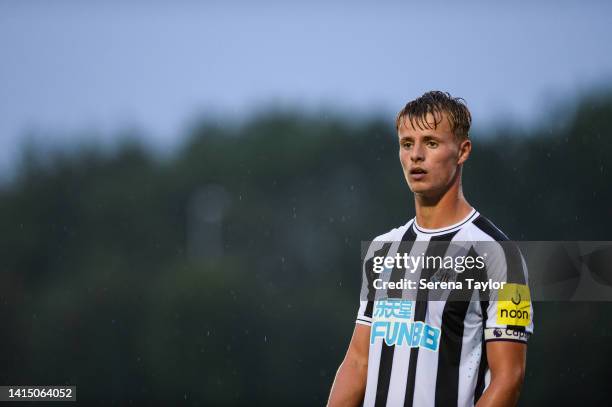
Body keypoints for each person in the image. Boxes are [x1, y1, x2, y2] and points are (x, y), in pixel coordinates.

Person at [328, 91, 534, 407]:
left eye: (431, 143)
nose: (416, 155)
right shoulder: (383, 250)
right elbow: (358, 363)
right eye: (407, 144)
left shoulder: (499, 256)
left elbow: (508, 378)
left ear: (463, 151)